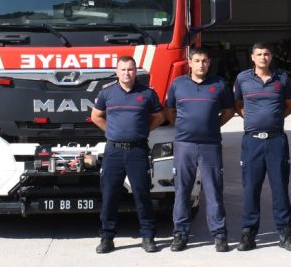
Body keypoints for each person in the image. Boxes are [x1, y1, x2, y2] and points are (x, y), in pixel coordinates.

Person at [90, 55, 164, 254]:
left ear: (135, 71)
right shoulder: (107, 94)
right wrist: (111, 131)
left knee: (142, 194)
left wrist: (143, 130)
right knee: (110, 195)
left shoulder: (147, 94)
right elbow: (96, 116)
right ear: (117, 72)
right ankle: (107, 237)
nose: (126, 73)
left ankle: (148, 237)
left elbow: (159, 116)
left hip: (137, 151)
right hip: (113, 151)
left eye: (130, 69)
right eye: (123, 70)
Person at [166, 47, 236, 252]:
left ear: (209, 62)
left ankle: (220, 234)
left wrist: (213, 126)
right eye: (197, 60)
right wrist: (182, 127)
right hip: (184, 145)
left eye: (204, 60)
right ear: (189, 62)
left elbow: (229, 111)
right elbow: (169, 110)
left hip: (210, 145)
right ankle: (180, 234)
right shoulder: (178, 84)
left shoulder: (219, 84)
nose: (201, 64)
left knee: (214, 190)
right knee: (182, 190)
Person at [232, 42, 291, 252]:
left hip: (276, 141)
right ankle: (248, 234)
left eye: (267, 54)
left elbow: (289, 105)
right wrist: (253, 119)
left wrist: (274, 118)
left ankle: (285, 233)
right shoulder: (242, 79)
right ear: (252, 57)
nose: (263, 57)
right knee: (251, 188)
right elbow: (238, 104)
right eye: (259, 54)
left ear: (271, 57)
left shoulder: (282, 78)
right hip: (252, 142)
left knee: (280, 189)